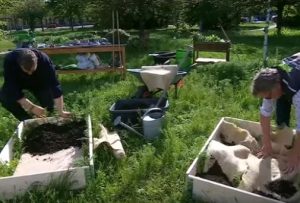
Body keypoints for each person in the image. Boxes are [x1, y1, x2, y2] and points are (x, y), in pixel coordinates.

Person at [251, 52, 300, 173]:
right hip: (290, 80)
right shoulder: (272, 79)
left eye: (268, 96)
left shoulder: (297, 94)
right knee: (281, 116)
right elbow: (265, 113)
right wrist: (266, 143)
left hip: (297, 86)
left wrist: (294, 155)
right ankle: (286, 139)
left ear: (277, 86)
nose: (268, 99)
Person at [0, 48, 72, 121]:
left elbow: (54, 85)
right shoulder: (10, 60)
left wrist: (61, 111)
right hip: (18, 81)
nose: (30, 73)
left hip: (38, 81)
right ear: (19, 64)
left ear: (37, 61)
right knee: (6, 98)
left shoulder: (44, 61)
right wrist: (32, 107)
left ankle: (47, 117)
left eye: (32, 70)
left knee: (50, 107)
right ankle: (27, 120)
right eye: (26, 71)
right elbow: (11, 88)